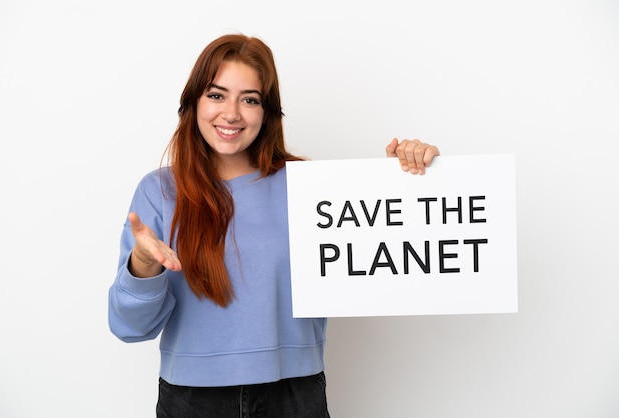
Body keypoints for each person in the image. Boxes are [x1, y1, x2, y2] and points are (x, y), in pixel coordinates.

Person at [108, 33, 440, 418]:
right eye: (216, 95)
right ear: (193, 102)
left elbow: (372, 258)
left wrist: (402, 182)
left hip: (294, 396)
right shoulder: (159, 190)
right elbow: (129, 328)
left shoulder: (309, 187)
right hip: (192, 400)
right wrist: (143, 268)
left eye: (249, 99)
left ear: (267, 112)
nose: (231, 112)